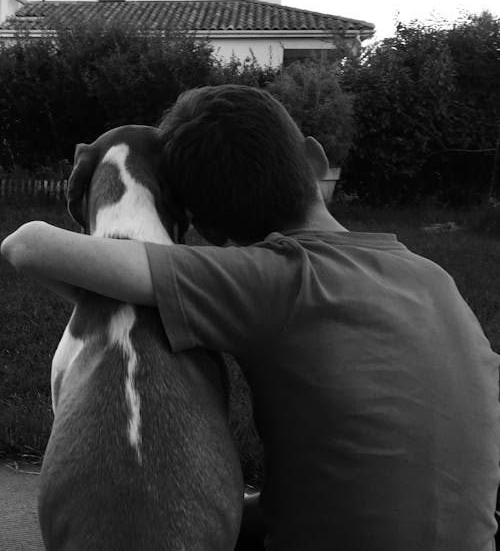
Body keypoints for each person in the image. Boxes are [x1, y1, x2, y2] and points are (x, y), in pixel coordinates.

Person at [2, 84, 500, 551]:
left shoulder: (266, 278)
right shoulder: (435, 280)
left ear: (212, 233)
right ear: (315, 157)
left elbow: (28, 247)